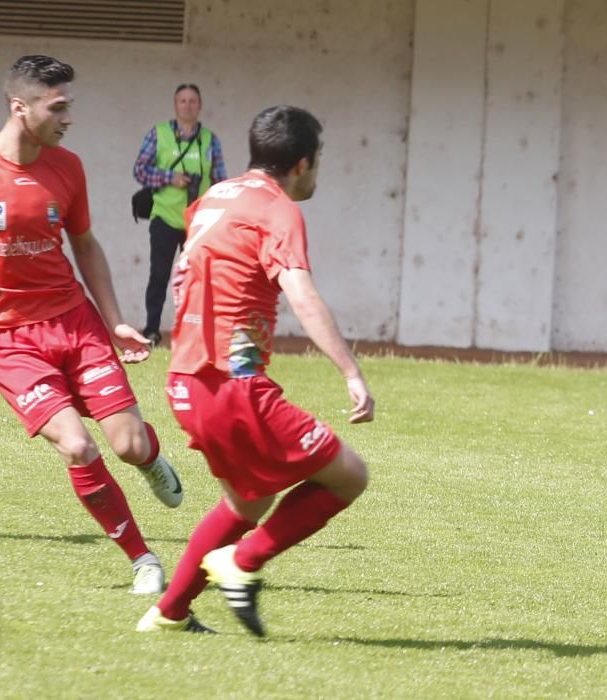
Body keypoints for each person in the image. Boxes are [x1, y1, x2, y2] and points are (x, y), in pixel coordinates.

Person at [137, 105, 374, 637]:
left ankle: (168, 612)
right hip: (232, 383)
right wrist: (351, 372)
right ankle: (241, 564)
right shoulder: (278, 210)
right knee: (349, 477)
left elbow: (184, 280)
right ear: (302, 163)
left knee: (248, 500)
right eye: (319, 163)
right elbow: (302, 295)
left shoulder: (213, 199)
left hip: (187, 379)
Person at [0, 55, 184, 595]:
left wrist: (115, 321)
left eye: (70, 105)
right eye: (58, 106)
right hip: (4, 336)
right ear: (20, 107)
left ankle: (152, 461)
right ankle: (143, 560)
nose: (69, 117)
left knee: (131, 445)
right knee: (77, 446)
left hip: (74, 322)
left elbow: (85, 244)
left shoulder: (68, 167)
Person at [132, 83, 226, 346]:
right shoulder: (158, 134)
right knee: (159, 276)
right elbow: (140, 170)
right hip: (164, 216)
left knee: (198, 279)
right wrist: (169, 177)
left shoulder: (210, 140)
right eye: (182, 101)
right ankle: (151, 330)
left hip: (198, 220)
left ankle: (192, 332)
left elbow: (219, 178)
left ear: (200, 105)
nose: (188, 105)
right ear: (175, 105)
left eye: (193, 101)